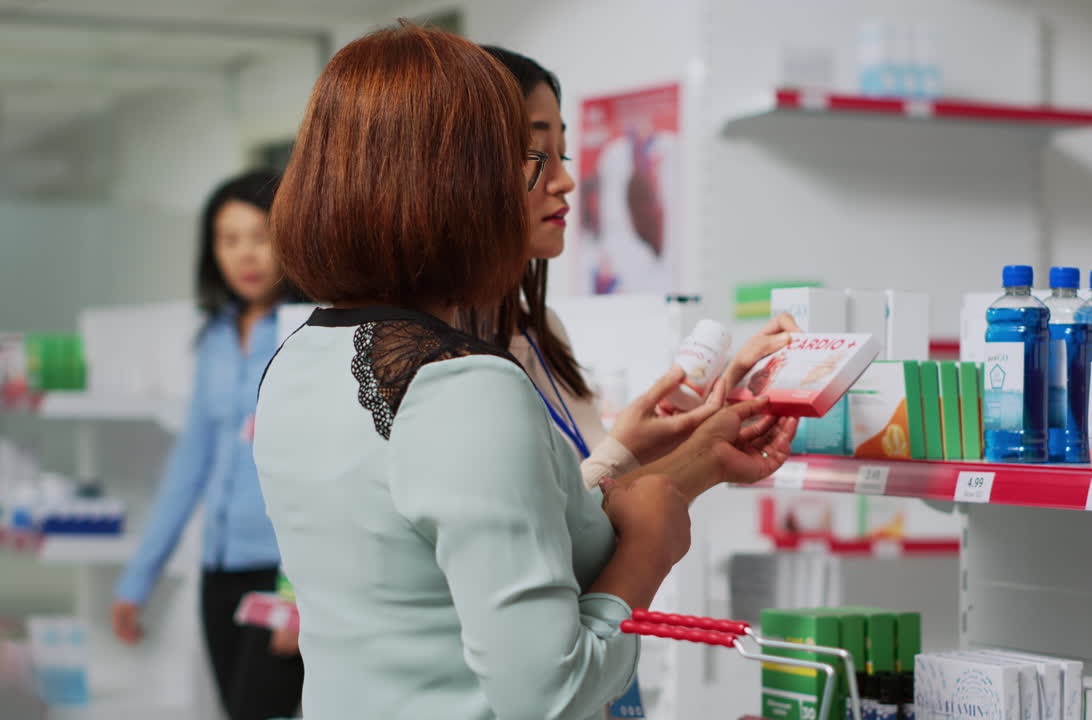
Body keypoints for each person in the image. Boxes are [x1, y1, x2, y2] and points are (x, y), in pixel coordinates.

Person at [253, 22, 794, 720]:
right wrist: (649, 551)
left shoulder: (296, 359)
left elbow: (457, 553)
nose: (548, 180)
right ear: (451, 184)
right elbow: (550, 694)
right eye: (524, 159)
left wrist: (687, 462)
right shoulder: (464, 384)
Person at [482, 45, 801, 500]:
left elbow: (600, 507)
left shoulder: (542, 331)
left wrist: (721, 396)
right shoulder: (443, 359)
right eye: (536, 156)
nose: (566, 181)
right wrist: (635, 450)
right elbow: (557, 525)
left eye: (563, 157)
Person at [111, 170, 304, 720]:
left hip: (280, 573)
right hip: (219, 571)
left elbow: (320, 476)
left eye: (260, 236)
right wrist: (138, 579)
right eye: (229, 239)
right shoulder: (215, 337)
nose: (245, 254)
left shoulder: (309, 332)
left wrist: (298, 594)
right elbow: (189, 465)